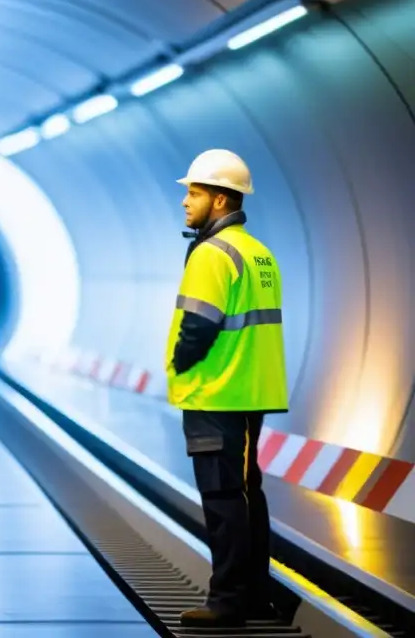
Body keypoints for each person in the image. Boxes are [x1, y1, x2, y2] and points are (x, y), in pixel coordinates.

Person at [165, 149, 289, 627]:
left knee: (222, 497)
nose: (185, 202)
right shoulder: (258, 252)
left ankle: (229, 599)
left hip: (217, 390)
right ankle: (253, 594)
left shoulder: (212, 254)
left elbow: (198, 325)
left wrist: (180, 363)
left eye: (193, 192)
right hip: (247, 388)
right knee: (244, 494)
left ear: (219, 199)